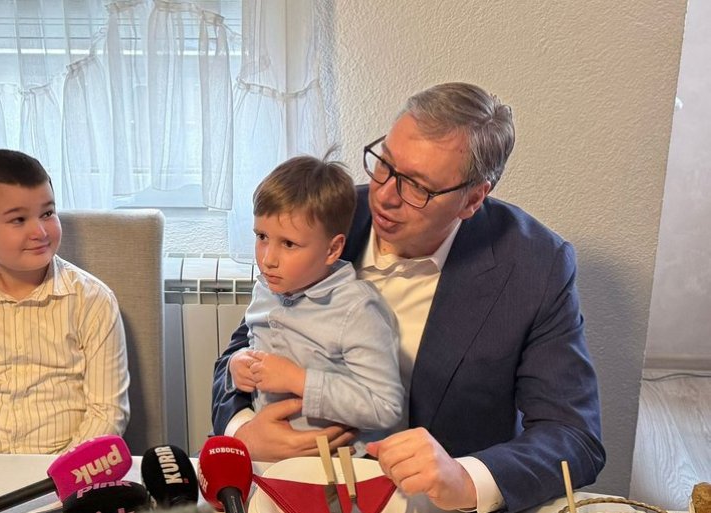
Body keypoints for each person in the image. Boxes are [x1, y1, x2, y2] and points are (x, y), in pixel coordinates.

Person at [211, 82, 605, 513]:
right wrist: (242, 430)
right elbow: (248, 341)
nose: (384, 195)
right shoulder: (325, 217)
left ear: (473, 199)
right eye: (384, 163)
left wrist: (465, 478)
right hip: (288, 489)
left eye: (417, 187)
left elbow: (573, 435)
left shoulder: (534, 264)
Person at [0, 149, 130, 454]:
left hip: (69, 468)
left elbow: (107, 413)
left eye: (47, 213)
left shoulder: (93, 300)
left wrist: (61, 473)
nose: (39, 231)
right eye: (18, 219)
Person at [222, 154, 403, 454]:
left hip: (336, 467)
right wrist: (239, 363)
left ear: (333, 249)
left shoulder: (357, 309)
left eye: (288, 244)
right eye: (262, 236)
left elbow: (385, 407)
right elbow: (253, 344)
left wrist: (299, 381)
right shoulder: (266, 288)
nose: (268, 259)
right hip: (266, 457)